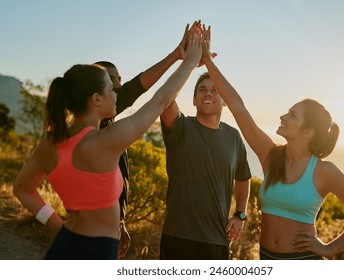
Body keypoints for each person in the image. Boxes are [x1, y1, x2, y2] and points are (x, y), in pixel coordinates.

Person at [12, 29, 203, 260]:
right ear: (96, 99)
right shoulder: (106, 141)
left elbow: (22, 189)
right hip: (98, 252)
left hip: (64, 244)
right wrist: (191, 60)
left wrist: (57, 225)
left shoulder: (50, 142)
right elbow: (161, 100)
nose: (117, 93)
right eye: (111, 89)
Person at [199, 25, 344, 260]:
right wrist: (208, 63)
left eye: (292, 115)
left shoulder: (324, 171)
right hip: (266, 258)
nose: (283, 117)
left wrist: (328, 248)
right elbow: (238, 107)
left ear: (308, 132)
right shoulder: (271, 155)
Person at [93, 23, 196, 258]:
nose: (119, 84)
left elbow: (136, 87)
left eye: (120, 78)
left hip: (108, 229)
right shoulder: (98, 131)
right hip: (96, 234)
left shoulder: (105, 122)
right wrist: (187, 61)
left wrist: (120, 221)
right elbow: (151, 96)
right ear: (95, 90)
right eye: (112, 79)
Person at [159, 25, 252, 260]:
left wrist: (240, 214)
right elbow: (165, 98)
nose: (208, 93)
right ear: (194, 99)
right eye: (202, 90)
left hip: (217, 241)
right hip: (178, 238)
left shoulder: (234, 137)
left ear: (224, 101)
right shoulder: (180, 127)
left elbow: (243, 179)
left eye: (214, 90)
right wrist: (188, 61)